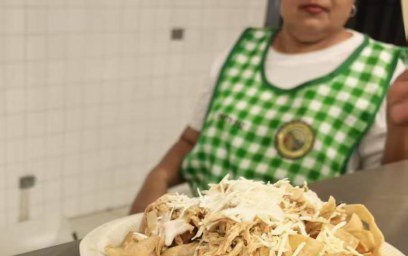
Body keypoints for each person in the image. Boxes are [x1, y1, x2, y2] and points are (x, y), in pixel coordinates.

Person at [131, 0, 408, 213]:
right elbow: (190, 140)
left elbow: (387, 189)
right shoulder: (241, 51)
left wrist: (401, 129)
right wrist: (158, 176)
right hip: (202, 237)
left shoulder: (385, 70)